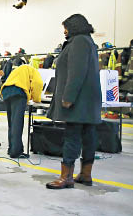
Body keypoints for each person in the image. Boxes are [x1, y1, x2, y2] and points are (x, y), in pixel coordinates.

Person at [46, 14, 101, 189]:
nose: (64, 31)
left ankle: (66, 177)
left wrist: (68, 97)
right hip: (88, 101)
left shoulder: (78, 42)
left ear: (74, 27)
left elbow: (76, 72)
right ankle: (86, 174)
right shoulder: (88, 42)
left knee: (72, 137)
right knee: (88, 136)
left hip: (78, 101)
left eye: (66, 27)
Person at [0, 65, 43, 158]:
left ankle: (11, 148)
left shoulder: (20, 69)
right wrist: (36, 99)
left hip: (6, 91)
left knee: (12, 122)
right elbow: (37, 83)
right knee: (17, 123)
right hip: (18, 92)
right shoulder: (34, 71)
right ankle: (16, 152)